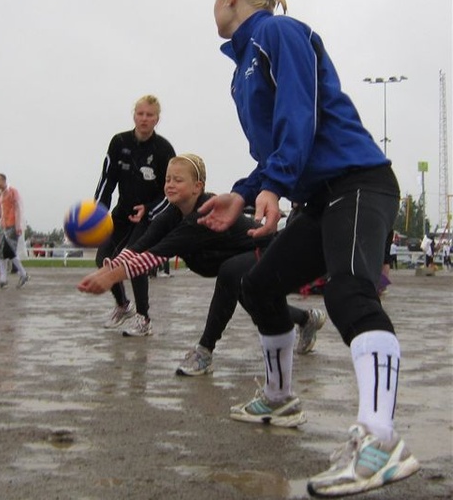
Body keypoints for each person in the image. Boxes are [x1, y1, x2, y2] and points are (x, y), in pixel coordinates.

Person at [198, 0, 418, 497]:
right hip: (320, 198)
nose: (213, 5)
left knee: (349, 291)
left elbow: (302, 113)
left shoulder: (278, 32)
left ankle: (381, 441)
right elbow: (277, 143)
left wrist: (274, 186)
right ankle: (279, 399)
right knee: (257, 285)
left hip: (359, 182)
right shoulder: (242, 67)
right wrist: (245, 191)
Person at [77, 154, 326, 375]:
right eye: (167, 179)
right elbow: (140, 246)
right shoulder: (170, 215)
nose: (170, 184)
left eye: (178, 180)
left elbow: (157, 255)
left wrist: (111, 277)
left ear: (198, 187)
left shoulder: (205, 213)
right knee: (253, 303)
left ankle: (204, 352)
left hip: (265, 250)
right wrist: (109, 267)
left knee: (230, 273)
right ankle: (307, 319)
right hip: (235, 258)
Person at [94, 95, 176, 334]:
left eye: (150, 115)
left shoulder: (164, 149)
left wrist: (149, 209)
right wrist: (99, 210)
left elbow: (171, 190)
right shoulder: (119, 142)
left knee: (134, 262)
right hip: (122, 213)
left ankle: (144, 319)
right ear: (134, 115)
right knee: (103, 258)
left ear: (157, 119)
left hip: (149, 217)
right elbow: (107, 180)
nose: (144, 119)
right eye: (140, 114)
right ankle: (123, 305)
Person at [0, 173, 29, 289]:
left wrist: (18, 225)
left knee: (10, 251)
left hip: (12, 225)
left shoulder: (12, 192)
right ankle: (3, 278)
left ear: (4, 180)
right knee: (0, 252)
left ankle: (23, 273)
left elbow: (18, 208)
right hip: (3, 226)